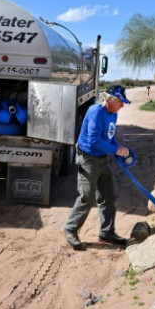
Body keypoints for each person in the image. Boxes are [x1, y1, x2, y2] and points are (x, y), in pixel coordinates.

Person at [64, 85, 131, 250]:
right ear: (110, 100)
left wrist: (117, 150)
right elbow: (94, 140)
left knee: (107, 196)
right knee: (86, 197)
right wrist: (116, 150)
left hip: (102, 158)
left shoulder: (112, 114)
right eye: (120, 102)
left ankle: (107, 233)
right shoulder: (96, 112)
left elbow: (109, 135)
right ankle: (70, 229)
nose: (122, 105)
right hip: (88, 158)